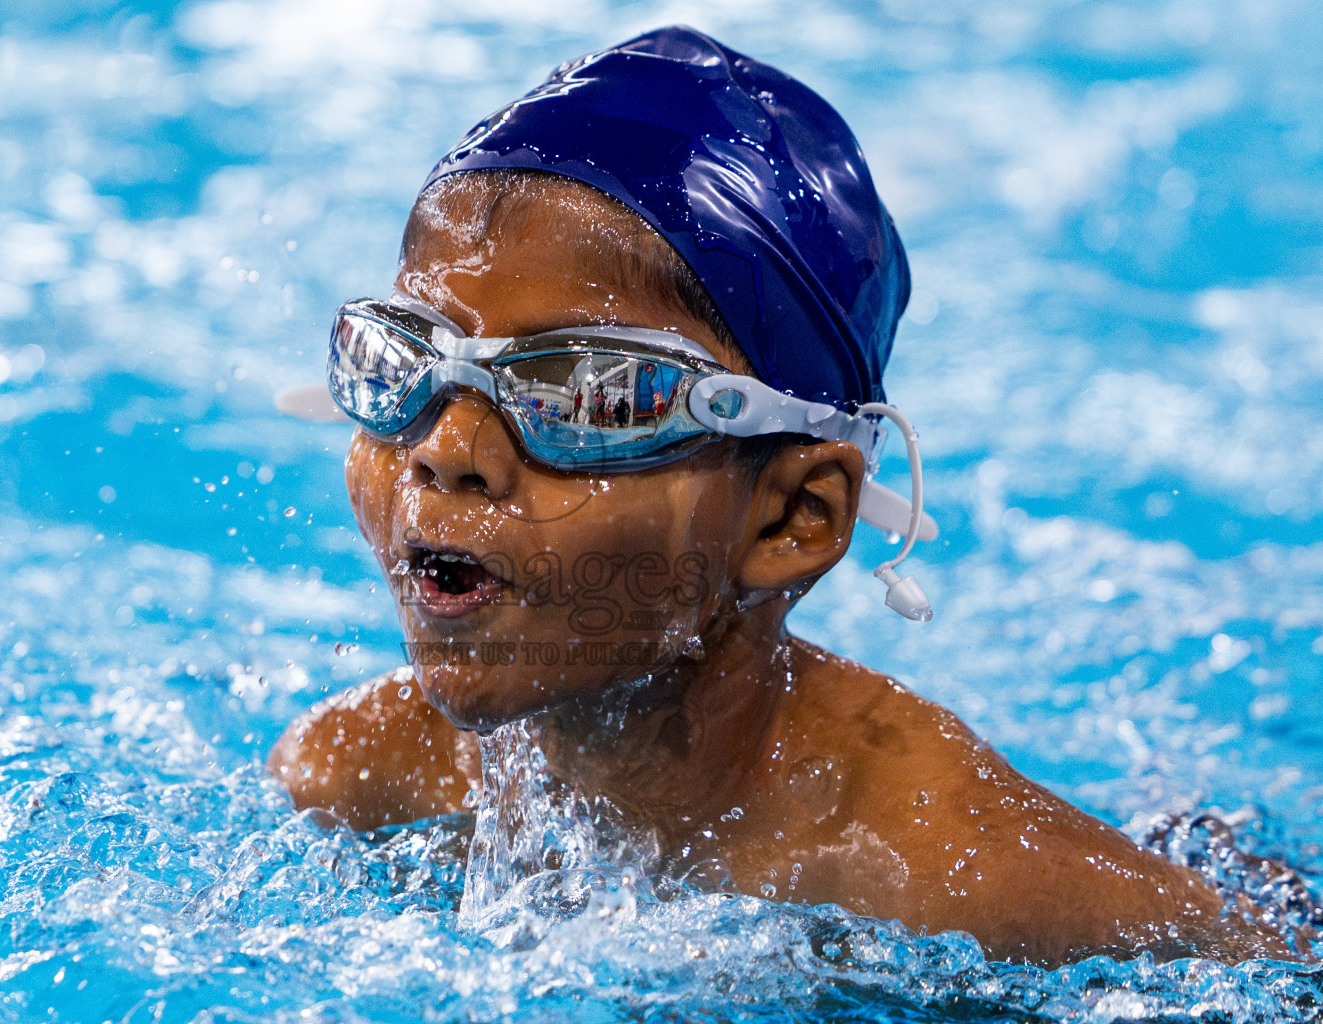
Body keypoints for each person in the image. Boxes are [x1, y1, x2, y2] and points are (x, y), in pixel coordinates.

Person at [269, 27, 1301, 965]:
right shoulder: (358, 775)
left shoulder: (957, 872)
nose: (446, 452)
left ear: (791, 519)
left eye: (593, 393)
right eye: (403, 360)